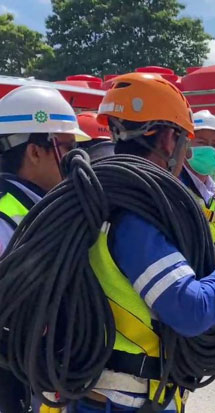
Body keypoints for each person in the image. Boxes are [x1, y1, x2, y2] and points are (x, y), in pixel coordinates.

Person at [63, 72, 215, 412]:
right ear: (168, 139)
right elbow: (189, 310)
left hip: (91, 391)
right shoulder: (136, 214)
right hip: (127, 400)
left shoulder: (92, 197)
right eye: (185, 141)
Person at [0, 85, 90, 413]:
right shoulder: (13, 214)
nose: (77, 159)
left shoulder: (42, 206)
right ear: (35, 152)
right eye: (66, 147)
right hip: (14, 379)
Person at [179, 109, 215, 249]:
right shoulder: (174, 184)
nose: (210, 149)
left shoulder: (212, 192)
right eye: (202, 142)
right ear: (185, 144)